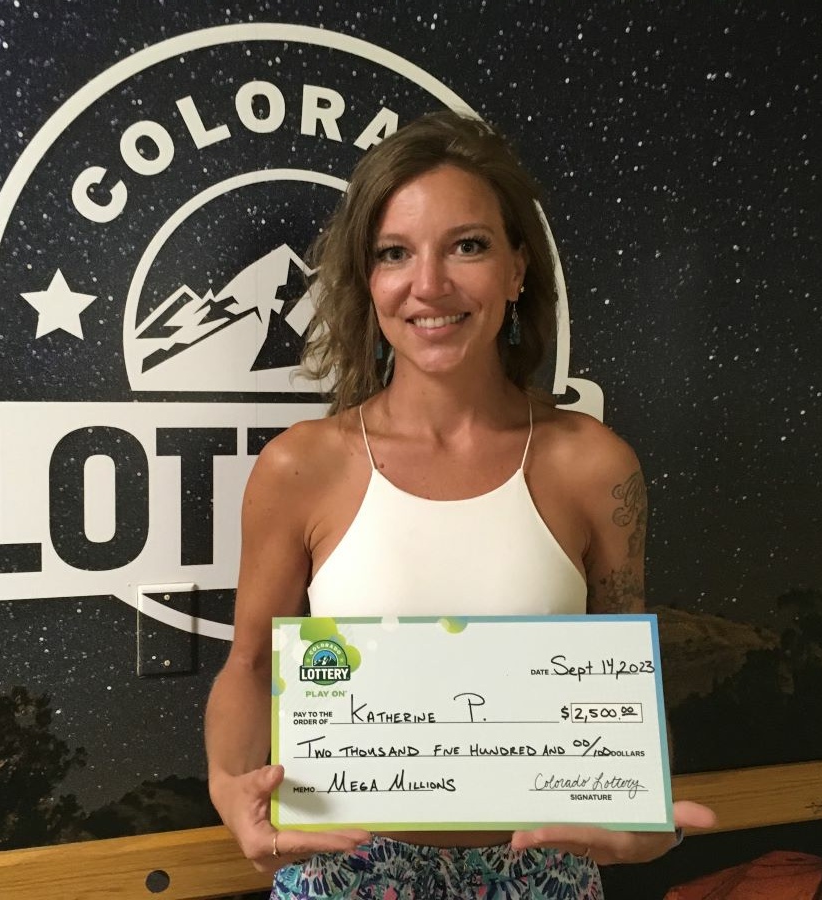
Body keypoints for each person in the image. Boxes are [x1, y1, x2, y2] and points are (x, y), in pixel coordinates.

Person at [205, 110, 715, 899]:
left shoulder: (594, 466)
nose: (430, 285)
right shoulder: (300, 466)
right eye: (394, 254)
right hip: (345, 871)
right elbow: (248, 665)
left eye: (467, 245)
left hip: (543, 872)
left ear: (517, 269)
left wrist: (638, 814)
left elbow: (620, 678)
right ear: (368, 281)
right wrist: (227, 787)